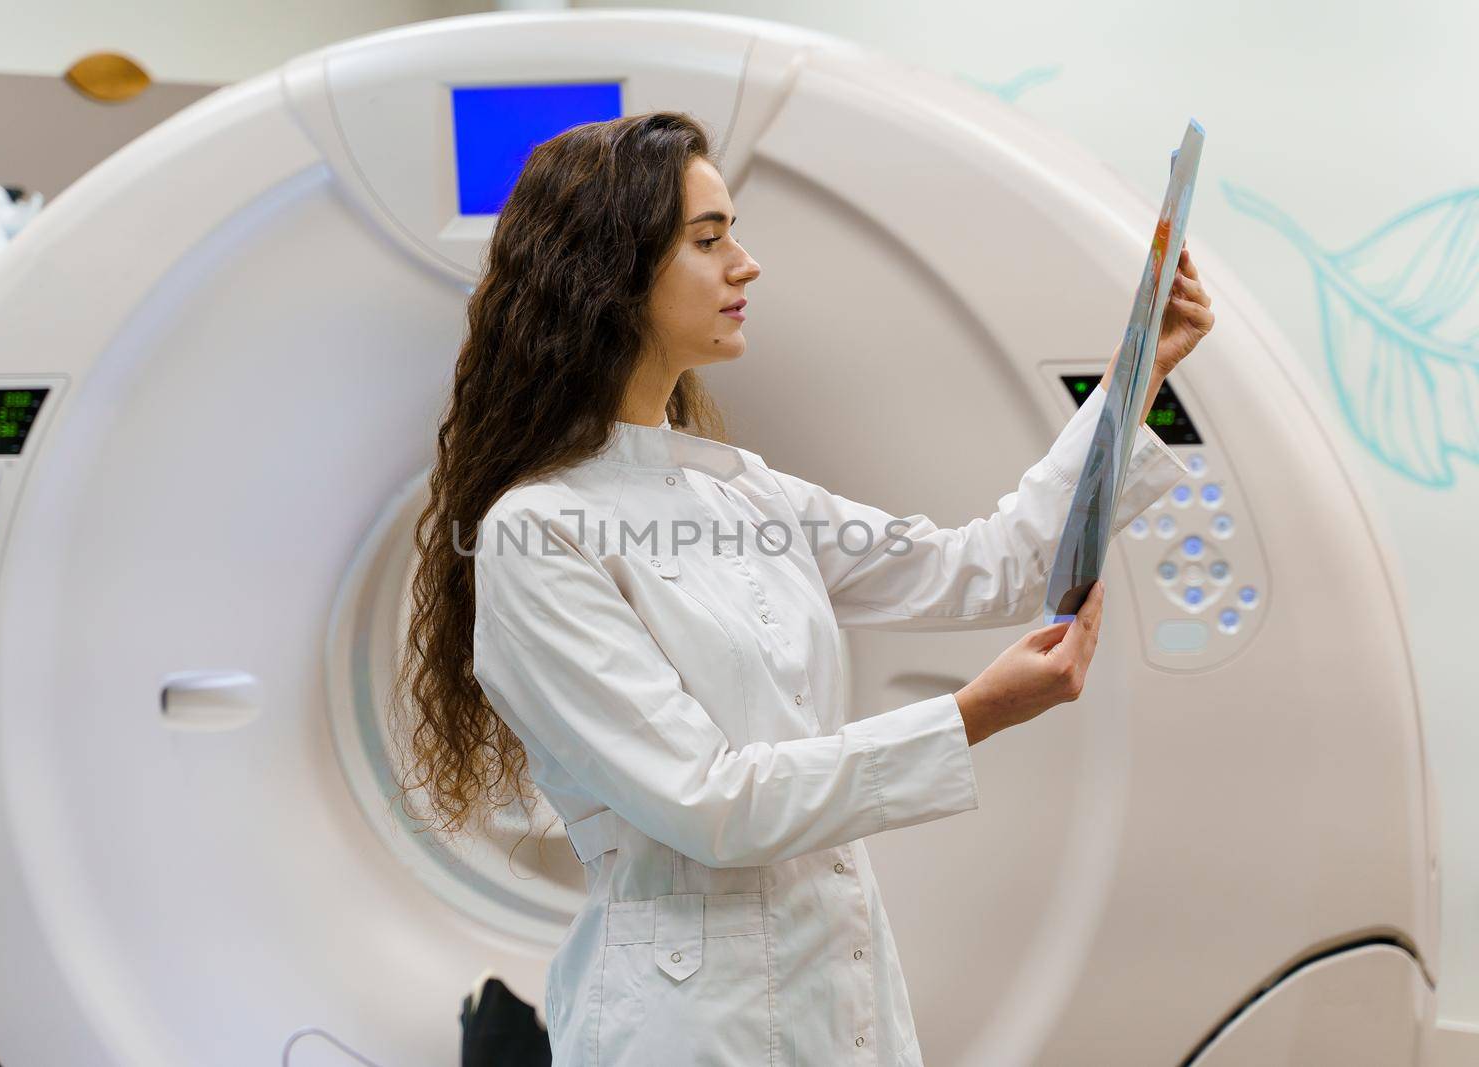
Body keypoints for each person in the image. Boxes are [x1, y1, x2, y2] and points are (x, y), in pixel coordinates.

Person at [391, 111, 1214, 1065]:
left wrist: (1132, 381)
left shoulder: (741, 490)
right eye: (709, 240)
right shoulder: (538, 534)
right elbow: (711, 802)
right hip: (687, 1023)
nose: (747, 264)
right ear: (611, 275)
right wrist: (968, 717)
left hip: (838, 983)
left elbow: (989, 565)